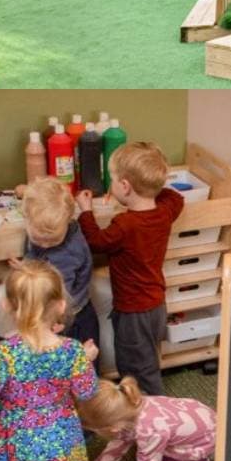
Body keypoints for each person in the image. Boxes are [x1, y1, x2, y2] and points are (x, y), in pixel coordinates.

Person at [0, 260, 100, 461]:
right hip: (64, 431)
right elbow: (87, 391)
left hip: (24, 440)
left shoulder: (4, 352)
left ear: (6, 305)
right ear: (61, 306)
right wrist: (85, 360)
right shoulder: (73, 349)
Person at [76, 142, 184, 395]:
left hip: (133, 312)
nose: (111, 185)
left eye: (113, 180)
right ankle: (143, 406)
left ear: (125, 186)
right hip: (156, 306)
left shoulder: (125, 224)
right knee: (147, 359)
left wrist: (86, 212)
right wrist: (152, 187)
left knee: (137, 369)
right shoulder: (165, 212)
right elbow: (175, 197)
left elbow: (96, 242)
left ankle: (153, 415)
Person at [11, 176, 100, 348]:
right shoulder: (43, 224)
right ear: (26, 219)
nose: (44, 245)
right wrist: (25, 268)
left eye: (52, 241)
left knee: (78, 366)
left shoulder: (68, 253)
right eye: (38, 239)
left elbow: (55, 292)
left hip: (68, 316)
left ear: (68, 222)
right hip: (56, 310)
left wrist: (55, 319)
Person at [79, 377, 217, 461]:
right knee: (142, 448)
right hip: (205, 418)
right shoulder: (132, 402)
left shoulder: (149, 431)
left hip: (210, 444)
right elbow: (121, 440)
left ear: (113, 428)